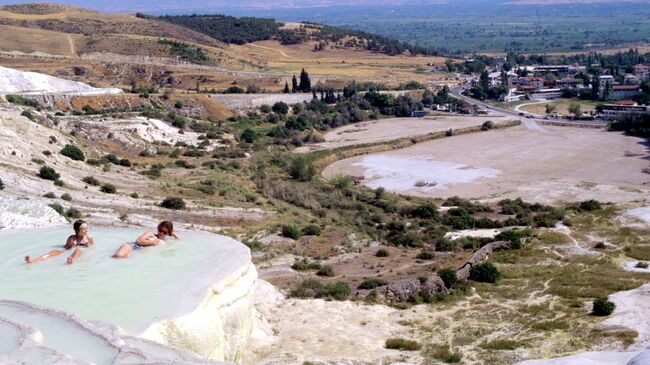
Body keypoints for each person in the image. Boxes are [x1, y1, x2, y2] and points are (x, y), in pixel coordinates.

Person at [25, 220, 94, 264]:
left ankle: (72, 260)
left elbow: (90, 247)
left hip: (79, 251)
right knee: (55, 251)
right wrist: (71, 245)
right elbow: (66, 248)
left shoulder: (88, 237)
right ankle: (34, 260)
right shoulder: (72, 238)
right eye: (83, 229)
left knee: (78, 250)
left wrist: (88, 243)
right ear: (77, 230)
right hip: (69, 250)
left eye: (86, 228)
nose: (86, 230)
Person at [112, 221, 180, 259]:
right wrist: (152, 242)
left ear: (168, 233)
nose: (161, 233)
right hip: (132, 246)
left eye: (165, 232)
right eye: (160, 230)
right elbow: (138, 241)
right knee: (118, 256)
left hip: (136, 252)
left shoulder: (165, 241)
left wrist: (173, 234)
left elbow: (180, 241)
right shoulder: (150, 233)